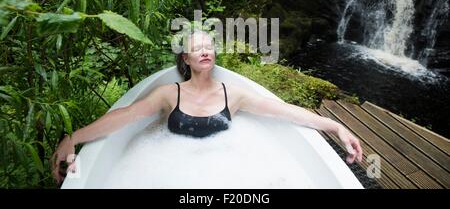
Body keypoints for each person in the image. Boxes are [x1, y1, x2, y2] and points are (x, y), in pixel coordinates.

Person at [52, 30, 363, 185]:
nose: (204, 51)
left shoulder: (235, 95)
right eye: (196, 48)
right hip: (170, 175)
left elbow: (285, 110)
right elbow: (124, 116)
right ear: (185, 59)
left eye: (209, 46)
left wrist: (335, 126)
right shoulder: (168, 95)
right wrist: (74, 138)